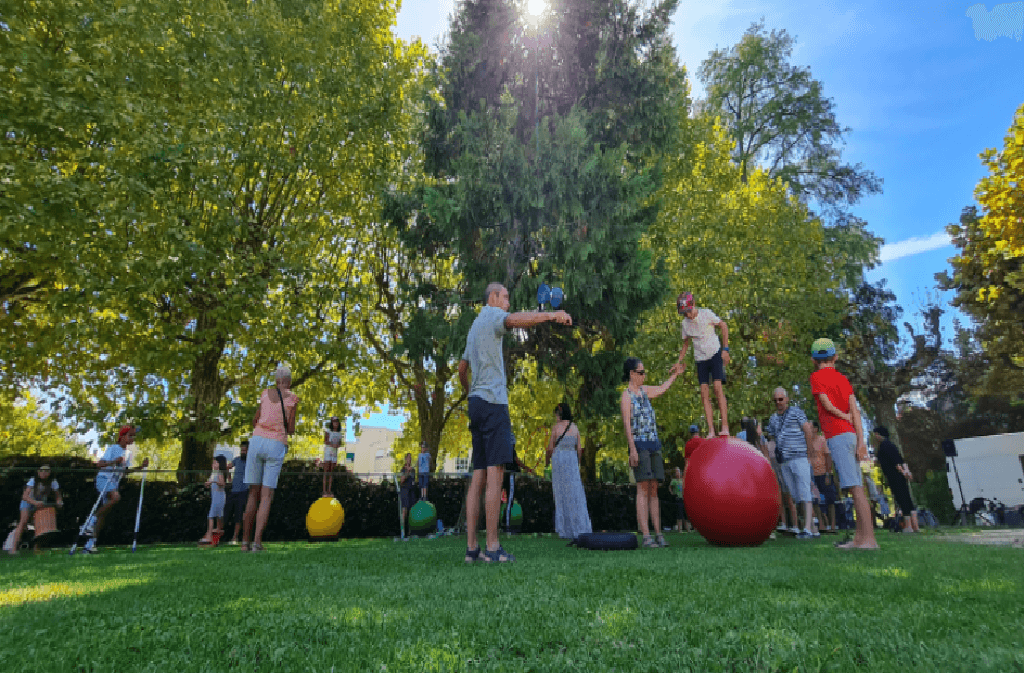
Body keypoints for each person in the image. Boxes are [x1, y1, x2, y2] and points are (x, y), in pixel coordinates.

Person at [458, 282, 572, 563]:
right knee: (496, 473)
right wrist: (550, 316)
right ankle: (494, 548)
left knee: (479, 475)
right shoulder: (493, 315)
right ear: (493, 297)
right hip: (493, 403)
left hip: (475, 403)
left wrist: (469, 391)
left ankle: (472, 549)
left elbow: (462, 369)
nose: (508, 301)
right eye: (506, 296)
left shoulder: (474, 326)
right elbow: (513, 320)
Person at [809, 338, 878, 550]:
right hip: (850, 436)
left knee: (856, 489)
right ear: (835, 357)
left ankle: (869, 541)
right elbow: (855, 411)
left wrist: (843, 417)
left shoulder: (817, 377)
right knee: (855, 486)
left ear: (813, 359)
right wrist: (861, 441)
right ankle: (858, 539)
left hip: (837, 435)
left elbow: (826, 404)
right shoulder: (843, 379)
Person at [620, 356, 686, 548]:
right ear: (632, 374)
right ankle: (646, 536)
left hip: (654, 444)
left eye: (644, 372)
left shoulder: (645, 391)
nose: (644, 375)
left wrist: (675, 375)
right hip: (639, 445)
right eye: (641, 372)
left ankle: (658, 534)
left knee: (654, 490)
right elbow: (626, 424)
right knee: (642, 489)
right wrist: (632, 449)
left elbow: (662, 388)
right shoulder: (626, 396)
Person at [242, 366, 299, 553]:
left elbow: (255, 419)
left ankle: (244, 543)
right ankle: (257, 543)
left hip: (257, 441)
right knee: (266, 496)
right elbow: (290, 428)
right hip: (276, 444)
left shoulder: (265, 393)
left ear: (276, 380)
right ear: (289, 381)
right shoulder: (293, 398)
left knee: (252, 493)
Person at [82, 425, 149, 554]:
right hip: (103, 479)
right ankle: (90, 521)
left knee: (104, 514)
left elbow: (125, 472)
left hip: (113, 482)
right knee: (116, 498)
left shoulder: (128, 454)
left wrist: (141, 467)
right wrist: (114, 461)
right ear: (122, 436)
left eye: (134, 435)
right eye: (130, 435)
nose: (133, 438)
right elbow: (99, 464)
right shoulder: (113, 448)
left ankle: (90, 545)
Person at [765, 388, 819, 539]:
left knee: (804, 491)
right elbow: (771, 436)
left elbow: (807, 429)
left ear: (787, 399)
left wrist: (810, 452)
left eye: (781, 399)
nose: (778, 403)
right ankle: (813, 529)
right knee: (796, 495)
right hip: (784, 461)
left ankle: (807, 529)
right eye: (775, 400)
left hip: (799, 456)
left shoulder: (796, 412)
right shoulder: (773, 419)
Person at [676, 292, 731, 436]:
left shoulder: (706, 314)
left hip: (715, 353)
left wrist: (725, 349)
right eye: (684, 313)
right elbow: (685, 344)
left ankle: (725, 427)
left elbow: (723, 326)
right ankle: (711, 430)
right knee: (704, 393)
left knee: (718, 388)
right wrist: (678, 361)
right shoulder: (685, 324)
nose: (687, 315)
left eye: (688, 311)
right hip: (700, 359)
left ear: (693, 305)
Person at [545, 402, 592, 540]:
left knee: (561, 494)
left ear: (559, 414)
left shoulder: (556, 428)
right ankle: (580, 526)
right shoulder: (575, 427)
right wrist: (576, 462)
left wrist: (547, 462)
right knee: (575, 492)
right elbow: (579, 449)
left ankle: (565, 529)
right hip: (571, 460)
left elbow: (549, 448)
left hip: (559, 460)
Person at [872, 426, 919, 532]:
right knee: (907, 499)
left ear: (880, 434)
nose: (875, 436)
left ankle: (908, 526)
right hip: (900, 475)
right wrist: (907, 472)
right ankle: (915, 525)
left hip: (894, 476)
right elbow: (901, 460)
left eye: (876, 434)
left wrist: (902, 472)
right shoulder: (892, 445)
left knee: (901, 499)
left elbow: (895, 463)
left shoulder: (884, 446)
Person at [7, 465, 63, 554]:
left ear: (50, 473)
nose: (44, 473)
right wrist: (35, 503)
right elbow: (24, 496)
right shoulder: (33, 480)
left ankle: (36, 548)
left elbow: (58, 495)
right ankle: (13, 549)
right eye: (42, 471)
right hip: (28, 502)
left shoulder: (53, 481)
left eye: (46, 471)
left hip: (40, 503)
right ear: (38, 472)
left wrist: (59, 501)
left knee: (42, 525)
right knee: (23, 522)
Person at [808, 422, 838, 533]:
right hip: (812, 475)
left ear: (815, 429)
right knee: (815, 501)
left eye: (810, 427)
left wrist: (827, 473)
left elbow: (828, 456)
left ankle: (833, 526)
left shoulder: (821, 440)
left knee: (830, 500)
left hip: (823, 474)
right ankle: (821, 525)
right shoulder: (806, 441)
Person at [200, 455, 229, 546]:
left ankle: (209, 535)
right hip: (215, 497)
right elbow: (211, 484)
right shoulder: (214, 473)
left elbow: (222, 484)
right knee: (218, 514)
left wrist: (213, 482)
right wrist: (208, 484)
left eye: (215, 462)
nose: (213, 464)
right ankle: (219, 529)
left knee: (211, 515)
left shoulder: (220, 473)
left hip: (219, 497)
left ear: (220, 464)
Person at [225, 440, 249, 545]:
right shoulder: (236, 460)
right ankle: (220, 537)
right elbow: (227, 467)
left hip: (244, 491)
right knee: (226, 514)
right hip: (234, 491)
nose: (243, 452)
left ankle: (235, 538)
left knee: (239, 515)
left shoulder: (251, 461)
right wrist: (229, 478)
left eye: (245, 450)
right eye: (242, 450)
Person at [322, 416, 343, 497]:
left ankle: (329, 491)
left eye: (337, 422)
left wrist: (337, 445)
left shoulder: (339, 433)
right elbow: (325, 441)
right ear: (332, 423)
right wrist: (332, 444)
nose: (335, 423)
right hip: (328, 452)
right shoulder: (328, 431)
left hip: (334, 454)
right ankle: (324, 491)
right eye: (334, 421)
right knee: (326, 471)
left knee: (331, 472)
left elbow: (340, 443)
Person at [669, 467, 691, 533]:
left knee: (686, 515)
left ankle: (688, 529)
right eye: (676, 472)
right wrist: (672, 493)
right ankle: (680, 530)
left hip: (684, 499)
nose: (678, 473)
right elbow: (670, 487)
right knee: (679, 514)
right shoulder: (674, 481)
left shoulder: (683, 480)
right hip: (678, 499)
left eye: (678, 471)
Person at [399, 452, 417, 533]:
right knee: (404, 512)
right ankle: (403, 532)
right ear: (406, 459)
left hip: (412, 491)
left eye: (411, 458)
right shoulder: (403, 469)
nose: (409, 459)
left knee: (411, 512)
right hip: (404, 491)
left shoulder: (413, 470)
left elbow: (414, 480)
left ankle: (411, 532)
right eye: (408, 458)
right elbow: (402, 480)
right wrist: (407, 472)